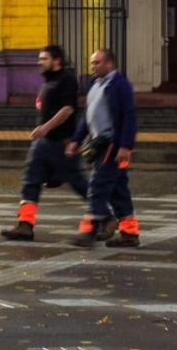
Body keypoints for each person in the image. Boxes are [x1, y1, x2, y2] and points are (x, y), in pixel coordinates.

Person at [0, 45, 88, 240]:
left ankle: (104, 216)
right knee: (31, 181)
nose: (40, 62)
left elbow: (68, 109)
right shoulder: (48, 82)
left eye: (44, 59)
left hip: (60, 142)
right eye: (40, 59)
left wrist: (45, 127)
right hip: (43, 143)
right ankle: (25, 225)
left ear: (56, 61)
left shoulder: (67, 80)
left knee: (78, 182)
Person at [71, 46, 139, 248]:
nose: (92, 66)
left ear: (110, 63)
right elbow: (87, 116)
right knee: (118, 191)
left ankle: (89, 230)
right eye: (92, 62)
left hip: (112, 145)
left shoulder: (120, 85)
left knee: (97, 186)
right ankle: (129, 233)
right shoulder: (95, 84)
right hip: (98, 143)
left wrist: (125, 146)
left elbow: (129, 117)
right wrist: (76, 139)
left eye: (97, 62)